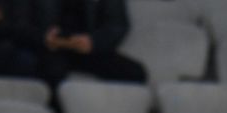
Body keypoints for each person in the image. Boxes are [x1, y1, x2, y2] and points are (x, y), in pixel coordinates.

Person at [15, 0, 146, 85]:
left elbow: (117, 25)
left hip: (89, 49)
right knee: (51, 72)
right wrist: (44, 37)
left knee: (134, 73)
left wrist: (93, 41)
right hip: (49, 49)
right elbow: (21, 23)